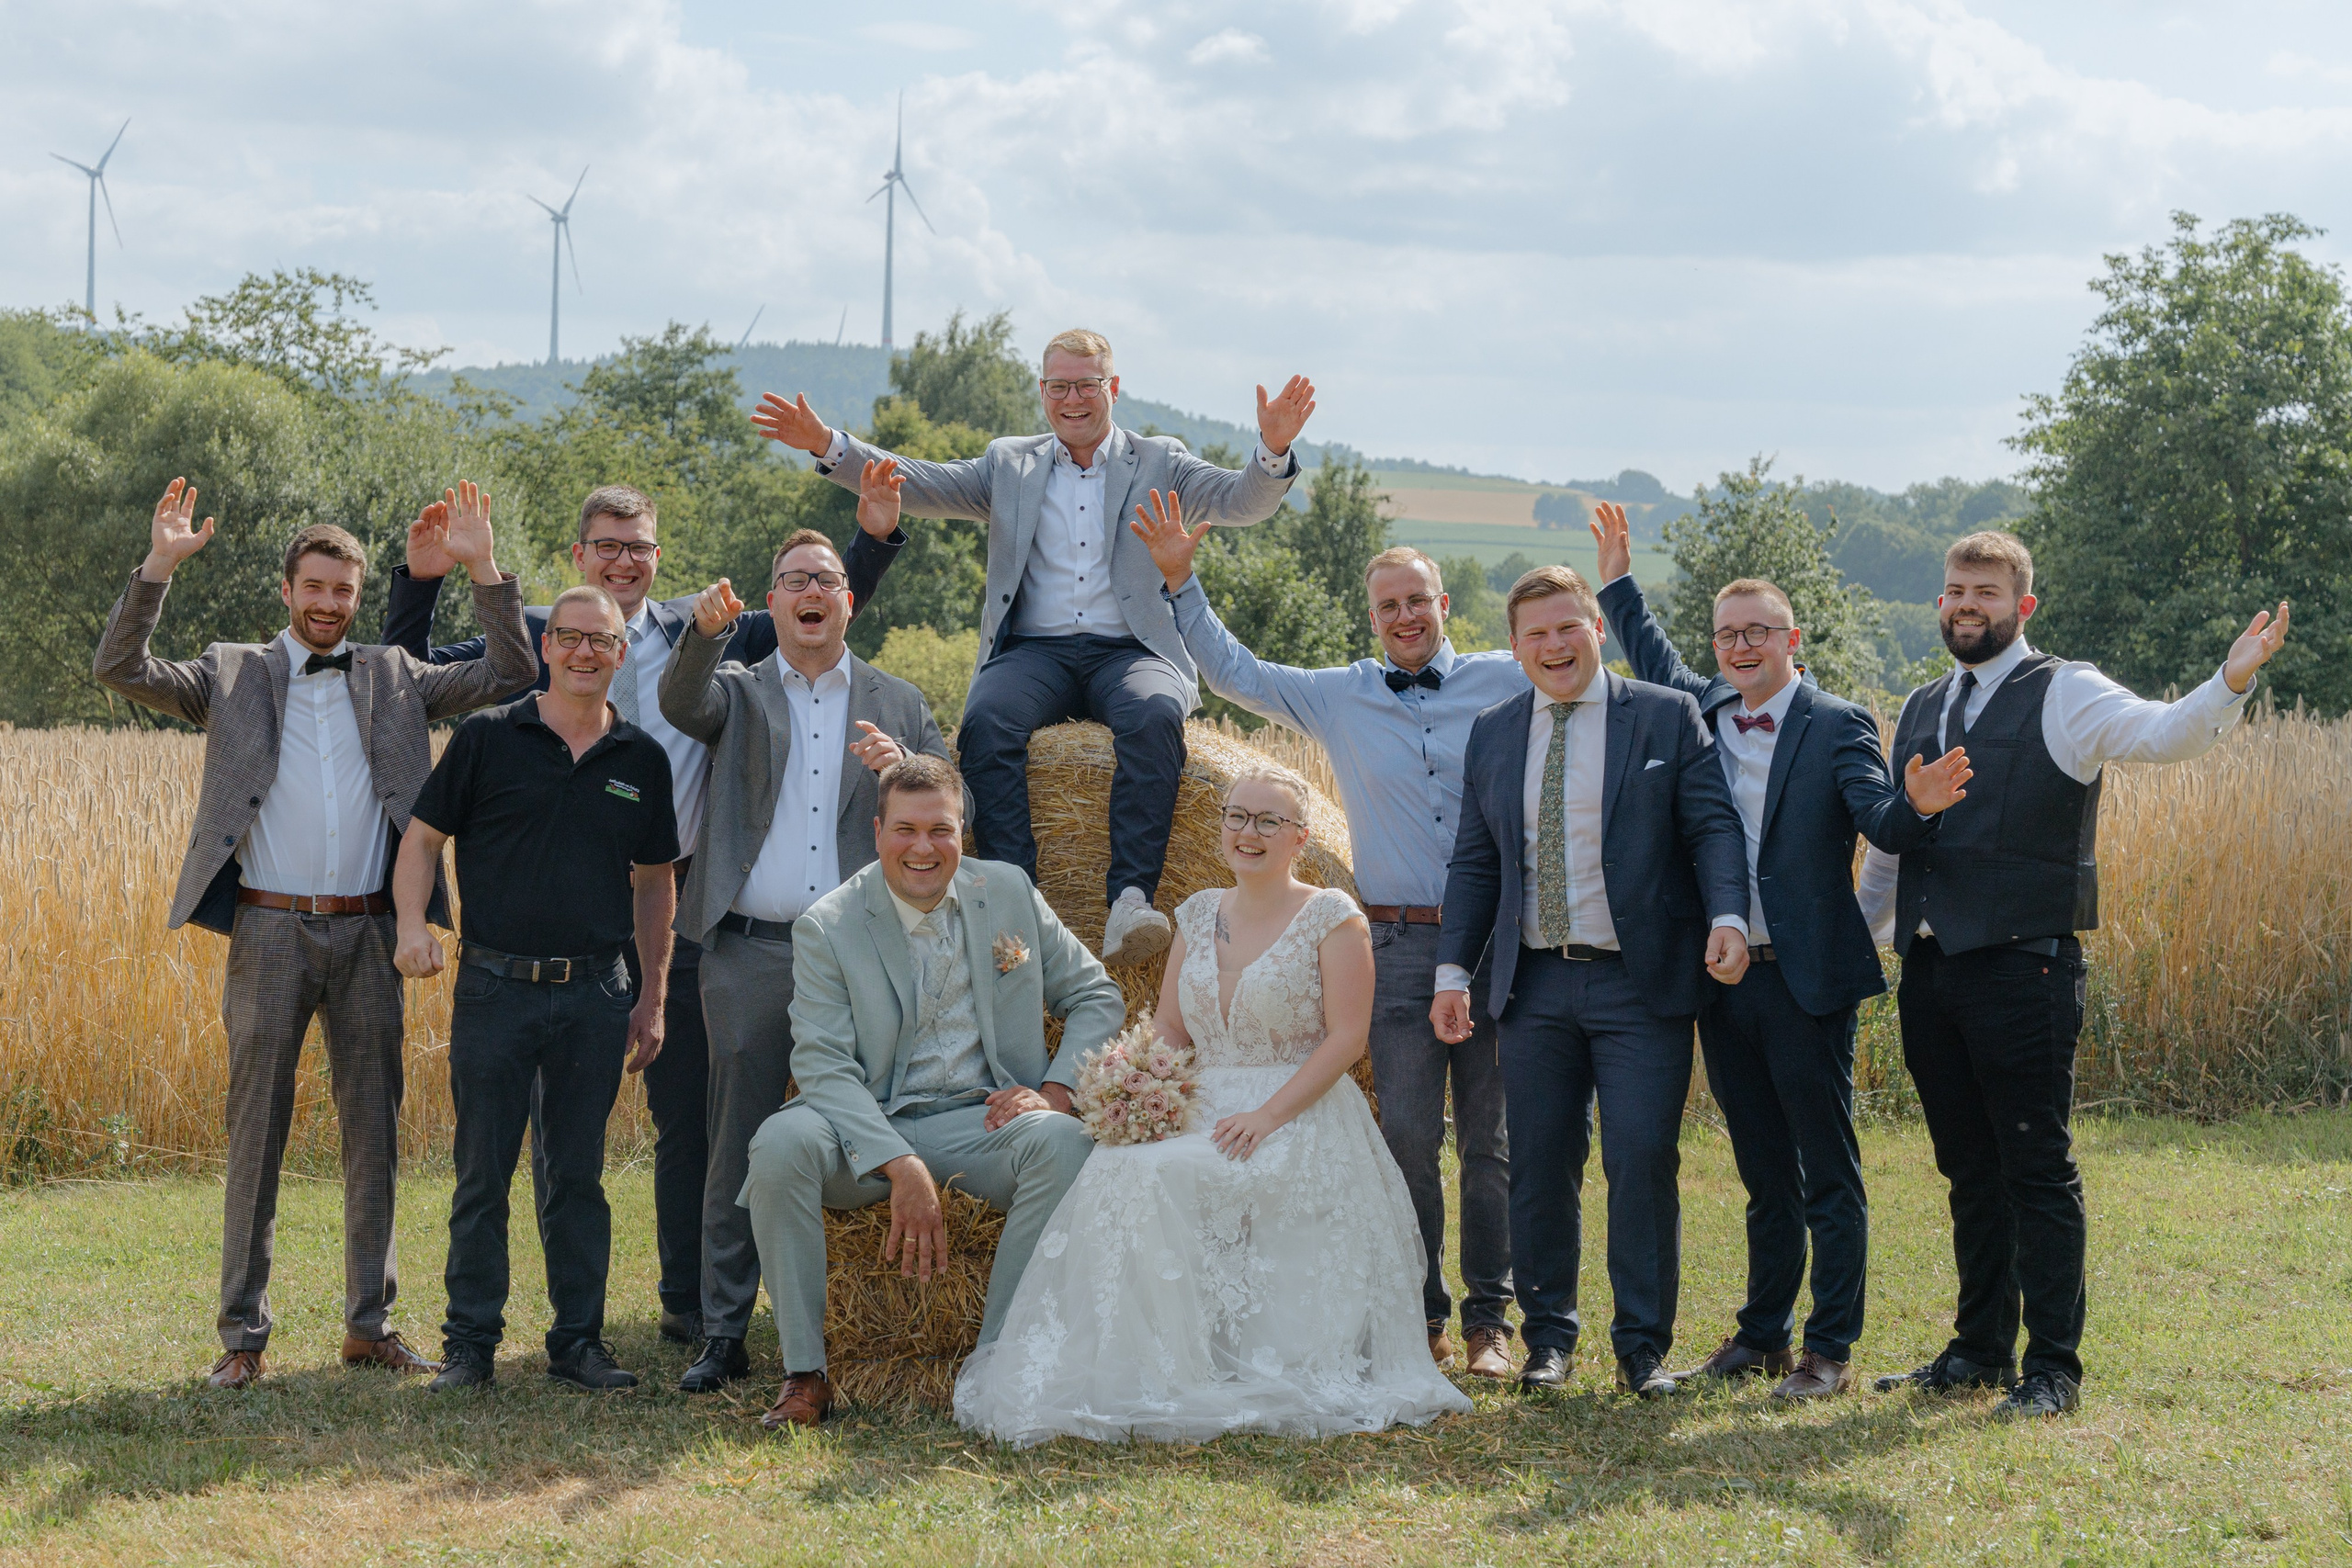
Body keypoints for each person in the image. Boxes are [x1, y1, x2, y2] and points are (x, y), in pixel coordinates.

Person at [382, 483, 903, 1347]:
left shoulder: (717, 630)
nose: (624, 559)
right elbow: (413, 671)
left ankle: (687, 1300)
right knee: (557, 1132)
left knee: (689, 1115)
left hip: (682, 902)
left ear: (658, 558)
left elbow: (821, 607)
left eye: (640, 546)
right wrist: (427, 577)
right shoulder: (543, 633)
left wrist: (873, 539)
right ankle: (560, 1319)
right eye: (607, 545)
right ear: (579, 554)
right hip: (566, 908)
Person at [92, 479, 535, 1390]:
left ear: (357, 597)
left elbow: (512, 673)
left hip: (373, 933)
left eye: (344, 591)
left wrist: (483, 569)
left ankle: (369, 1325)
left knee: (375, 1132)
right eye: (315, 589)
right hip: (267, 930)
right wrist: (156, 570)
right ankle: (242, 1339)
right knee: (256, 1133)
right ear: (288, 591)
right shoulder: (232, 671)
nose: (329, 604)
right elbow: (120, 668)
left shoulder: (396, 677)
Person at [1856, 531, 2290, 1419]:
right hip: (1932, 973)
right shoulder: (1923, 700)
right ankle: (1978, 1351)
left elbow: (2166, 734)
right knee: (1967, 1168)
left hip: (2026, 967)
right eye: (1953, 590)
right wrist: (1854, 945)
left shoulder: (2066, 689)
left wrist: (2231, 679)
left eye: (1984, 590)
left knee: (2035, 1167)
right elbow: (1893, 854)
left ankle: (2052, 1367)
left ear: (2023, 605)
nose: (1965, 603)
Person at [751, 328, 1317, 966]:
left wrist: (1272, 448)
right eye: (1058, 386)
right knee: (987, 724)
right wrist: (828, 445)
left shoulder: (1161, 460)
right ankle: (1014, 903)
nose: (1072, 398)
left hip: (1131, 650)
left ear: (1114, 387)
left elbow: (1241, 501)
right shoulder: (1008, 463)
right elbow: (916, 481)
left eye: (1086, 384)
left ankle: (1130, 898)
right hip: (1033, 652)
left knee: (1156, 717)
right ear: (1042, 391)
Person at [956, 763, 1475, 1446]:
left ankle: (1214, 1363)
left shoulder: (1331, 915)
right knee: (1119, 1166)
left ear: (1301, 837)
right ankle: (1140, 1366)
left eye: (1268, 821)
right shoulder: (1198, 911)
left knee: (1161, 1174)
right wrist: (1130, 1088)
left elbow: (1348, 1038)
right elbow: (1171, 1028)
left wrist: (1268, 1115)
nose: (1247, 832)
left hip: (1299, 1108)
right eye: (1236, 816)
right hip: (1207, 1100)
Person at [1129, 491, 1522, 1380]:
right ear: (1373, 616)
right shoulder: (1340, 697)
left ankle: (1492, 1322)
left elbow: (1584, 675)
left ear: (1444, 604)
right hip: (1401, 944)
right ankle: (1418, 1313)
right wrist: (1181, 579)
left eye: (1417, 600)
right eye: (1387, 605)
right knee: (1410, 1137)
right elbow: (1234, 671)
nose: (1405, 616)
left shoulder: (1506, 677)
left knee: (1493, 1143)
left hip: (1499, 941)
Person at [1589, 504, 1969, 1400]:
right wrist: (1614, 583)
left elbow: (1878, 820)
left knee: (1825, 1170)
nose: (1740, 646)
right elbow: (1647, 652)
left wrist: (1914, 804)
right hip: (1721, 982)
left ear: (1790, 637)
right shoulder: (1702, 709)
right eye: (1727, 634)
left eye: (1757, 631)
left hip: (1806, 982)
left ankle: (1827, 1349)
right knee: (1761, 1171)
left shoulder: (1837, 722)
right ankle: (1761, 1336)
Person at [658, 467, 958, 1396]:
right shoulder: (741, 691)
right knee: (738, 1138)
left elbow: (949, 802)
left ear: (847, 600)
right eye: (793, 579)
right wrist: (703, 638)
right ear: (774, 604)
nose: (811, 591)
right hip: (748, 949)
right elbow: (681, 707)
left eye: (825, 577)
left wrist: (905, 768)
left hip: (866, 955)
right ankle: (721, 1331)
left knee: (868, 1124)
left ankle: (850, 1321)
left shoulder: (899, 701)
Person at [1433, 565, 1751, 1399]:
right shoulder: (1496, 729)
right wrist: (1449, 970)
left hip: (1639, 985)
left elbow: (1713, 824)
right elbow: (1474, 860)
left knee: (1643, 1159)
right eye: (1535, 634)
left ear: (1595, 630)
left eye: (1567, 626)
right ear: (1513, 647)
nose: (1554, 645)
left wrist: (1728, 915)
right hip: (1532, 986)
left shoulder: (1666, 715)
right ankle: (1549, 1340)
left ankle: (1642, 1348)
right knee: (1540, 1162)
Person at [738, 753, 1123, 1430]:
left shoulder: (1006, 891)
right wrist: (898, 1162)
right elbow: (824, 1063)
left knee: (1066, 1144)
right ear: (878, 830)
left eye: (940, 830)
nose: (923, 847)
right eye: (906, 830)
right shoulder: (827, 924)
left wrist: (1057, 1091)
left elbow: (1095, 994)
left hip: (981, 1122)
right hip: (866, 1123)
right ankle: (805, 1374)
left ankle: (997, 1365)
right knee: (778, 1145)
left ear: (962, 832)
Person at [393, 583, 682, 1393]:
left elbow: (656, 885)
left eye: (604, 640)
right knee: (482, 1170)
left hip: (596, 994)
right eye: (572, 637)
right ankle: (471, 1345)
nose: (587, 652)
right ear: (547, 645)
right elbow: (420, 841)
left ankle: (578, 1342)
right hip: (495, 986)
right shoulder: (489, 737)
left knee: (579, 1176)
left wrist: (651, 997)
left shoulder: (642, 761)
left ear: (622, 655)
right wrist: (413, 927)